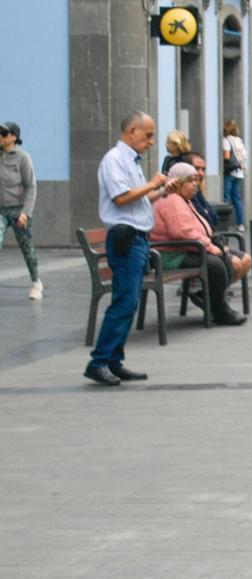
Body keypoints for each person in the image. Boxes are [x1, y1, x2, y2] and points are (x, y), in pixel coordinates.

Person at [86, 111, 174, 386]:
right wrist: (152, 183)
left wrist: (160, 192)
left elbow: (138, 197)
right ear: (132, 131)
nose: (151, 142)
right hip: (126, 239)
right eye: (148, 135)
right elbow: (122, 198)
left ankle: (113, 360)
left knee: (128, 301)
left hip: (137, 238)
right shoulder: (114, 160)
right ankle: (99, 361)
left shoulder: (130, 161)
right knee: (124, 301)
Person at [150, 162, 247, 326]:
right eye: (190, 180)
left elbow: (197, 227)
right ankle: (219, 310)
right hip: (169, 255)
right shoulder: (173, 200)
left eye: (196, 180)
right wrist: (209, 246)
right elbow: (181, 232)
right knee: (215, 265)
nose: (196, 184)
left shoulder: (184, 200)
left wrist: (212, 243)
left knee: (222, 259)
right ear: (178, 182)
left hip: (183, 249)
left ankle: (216, 306)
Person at [0, 121, 40, 300]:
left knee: (26, 247)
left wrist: (26, 212)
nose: (0, 136)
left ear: (14, 137)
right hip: (1, 210)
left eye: (4, 133)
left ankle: (36, 282)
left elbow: (31, 186)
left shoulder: (23, 158)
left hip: (19, 210)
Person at [222, 120, 248, 232]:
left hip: (229, 172)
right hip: (239, 172)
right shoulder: (239, 140)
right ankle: (240, 224)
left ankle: (224, 222)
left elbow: (227, 157)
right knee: (237, 199)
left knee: (226, 198)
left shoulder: (226, 140)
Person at [182, 153, 220, 228]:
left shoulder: (197, 191)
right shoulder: (185, 194)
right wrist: (206, 212)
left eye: (203, 169)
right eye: (196, 168)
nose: (201, 173)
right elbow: (205, 218)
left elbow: (215, 218)